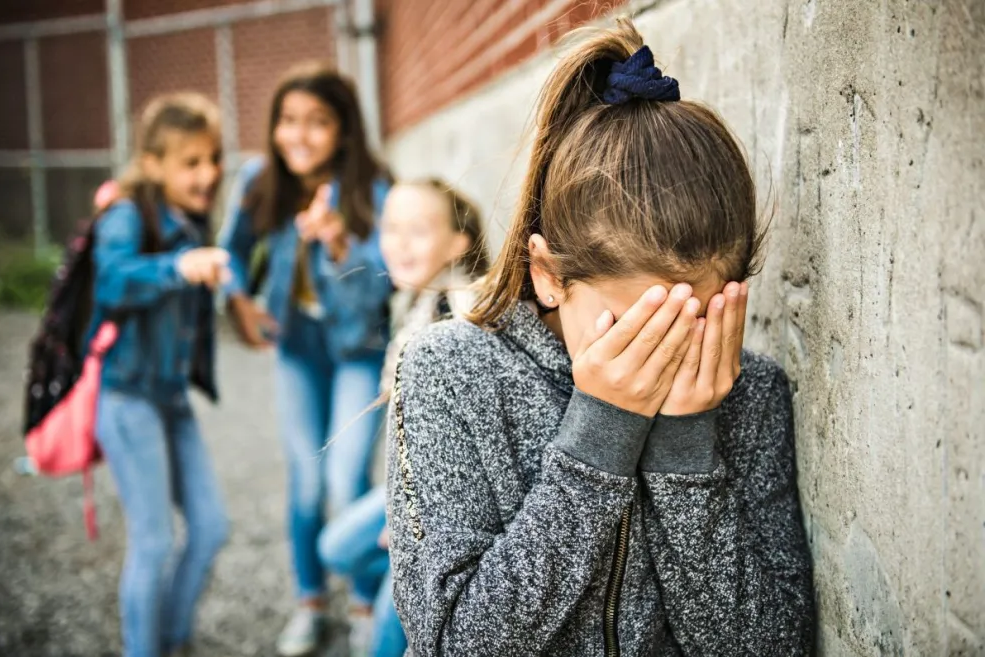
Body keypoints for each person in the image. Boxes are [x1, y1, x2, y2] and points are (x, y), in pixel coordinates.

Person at [386, 19, 815, 657]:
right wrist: (601, 434)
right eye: (635, 327)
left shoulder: (748, 394)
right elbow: (454, 643)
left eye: (691, 322)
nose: (663, 355)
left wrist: (685, 448)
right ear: (549, 276)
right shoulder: (449, 372)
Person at [217, 61, 393, 656]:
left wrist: (339, 243)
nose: (298, 134)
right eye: (288, 120)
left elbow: (379, 291)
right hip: (297, 349)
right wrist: (237, 301)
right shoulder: (259, 179)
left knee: (346, 479)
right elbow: (231, 253)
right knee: (307, 484)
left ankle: (368, 598)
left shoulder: (374, 189)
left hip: (357, 351)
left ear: (344, 131)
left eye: (317, 122)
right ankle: (311, 601)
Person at [319, 179, 490, 657]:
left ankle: (422, 611)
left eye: (418, 229)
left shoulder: (462, 315)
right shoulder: (413, 302)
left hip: (445, 503)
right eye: (390, 228)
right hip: (411, 488)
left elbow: (472, 442)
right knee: (335, 548)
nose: (399, 242)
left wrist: (408, 521)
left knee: (387, 636)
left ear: (458, 243)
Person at [91, 92, 230, 657]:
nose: (208, 172)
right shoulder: (128, 214)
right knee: (151, 542)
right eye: (191, 162)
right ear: (153, 164)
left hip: (170, 399)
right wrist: (177, 266)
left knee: (211, 527)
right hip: (127, 399)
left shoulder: (193, 221)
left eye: (213, 158)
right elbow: (112, 280)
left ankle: (170, 640)